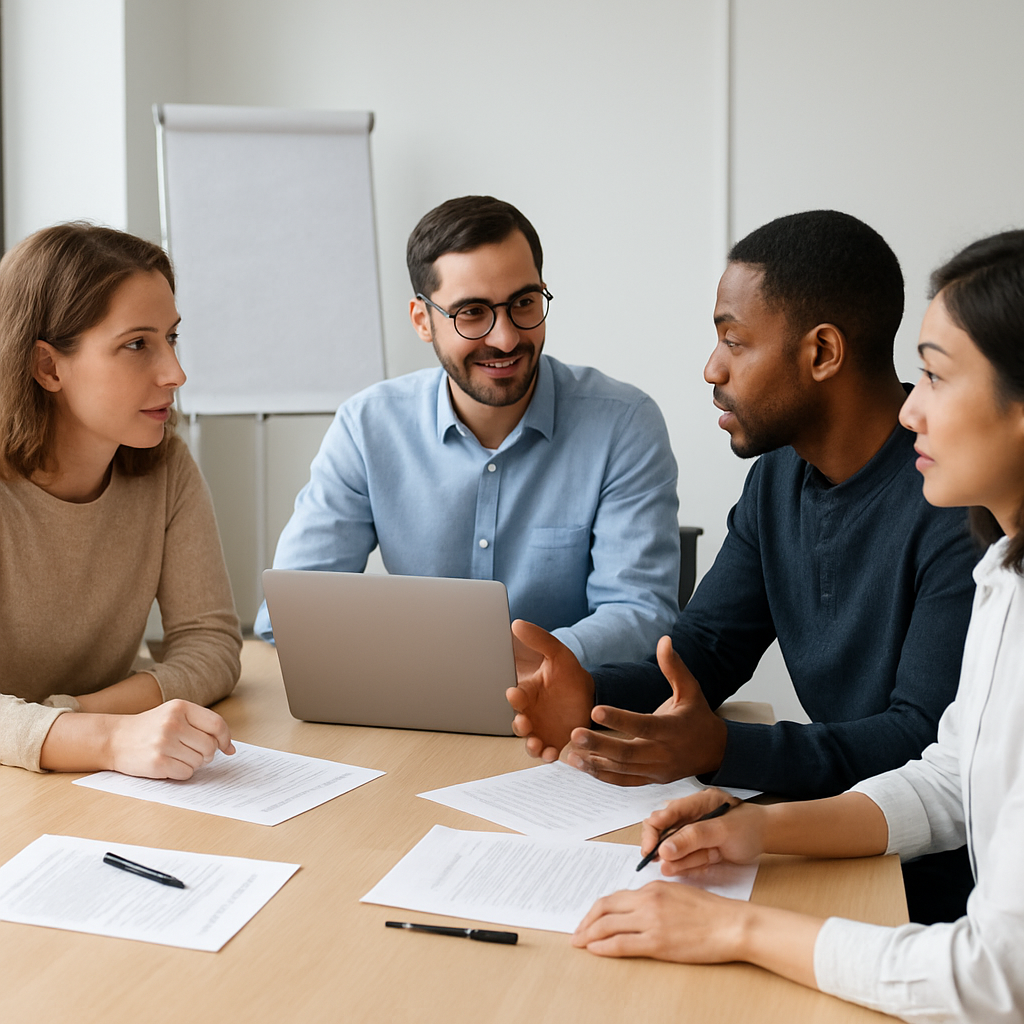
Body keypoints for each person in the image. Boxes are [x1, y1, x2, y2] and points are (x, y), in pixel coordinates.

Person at [573, 228, 1024, 1024]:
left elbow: (995, 978)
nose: (911, 406)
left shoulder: (962, 535)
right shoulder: (1004, 568)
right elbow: (950, 776)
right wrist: (758, 826)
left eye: (934, 376)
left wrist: (740, 926)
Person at [508, 210, 978, 922]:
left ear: (821, 353)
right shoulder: (778, 477)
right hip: (831, 838)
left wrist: (726, 748)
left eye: (733, 340)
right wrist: (591, 697)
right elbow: (702, 655)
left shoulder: (956, 497)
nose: (712, 368)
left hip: (935, 885)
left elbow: (920, 739)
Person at [254, 196, 680, 669]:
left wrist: (501, 658)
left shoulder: (624, 423)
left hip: (568, 712)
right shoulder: (368, 426)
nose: (505, 338)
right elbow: (288, 613)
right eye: (472, 312)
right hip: (414, 703)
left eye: (523, 302)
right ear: (422, 320)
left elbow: (642, 613)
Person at [0, 223, 241, 777]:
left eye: (171, 338)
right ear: (48, 367)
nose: (175, 373)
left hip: (81, 785)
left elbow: (211, 645)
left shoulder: (166, 466)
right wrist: (106, 739)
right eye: (136, 344)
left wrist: (79, 716)